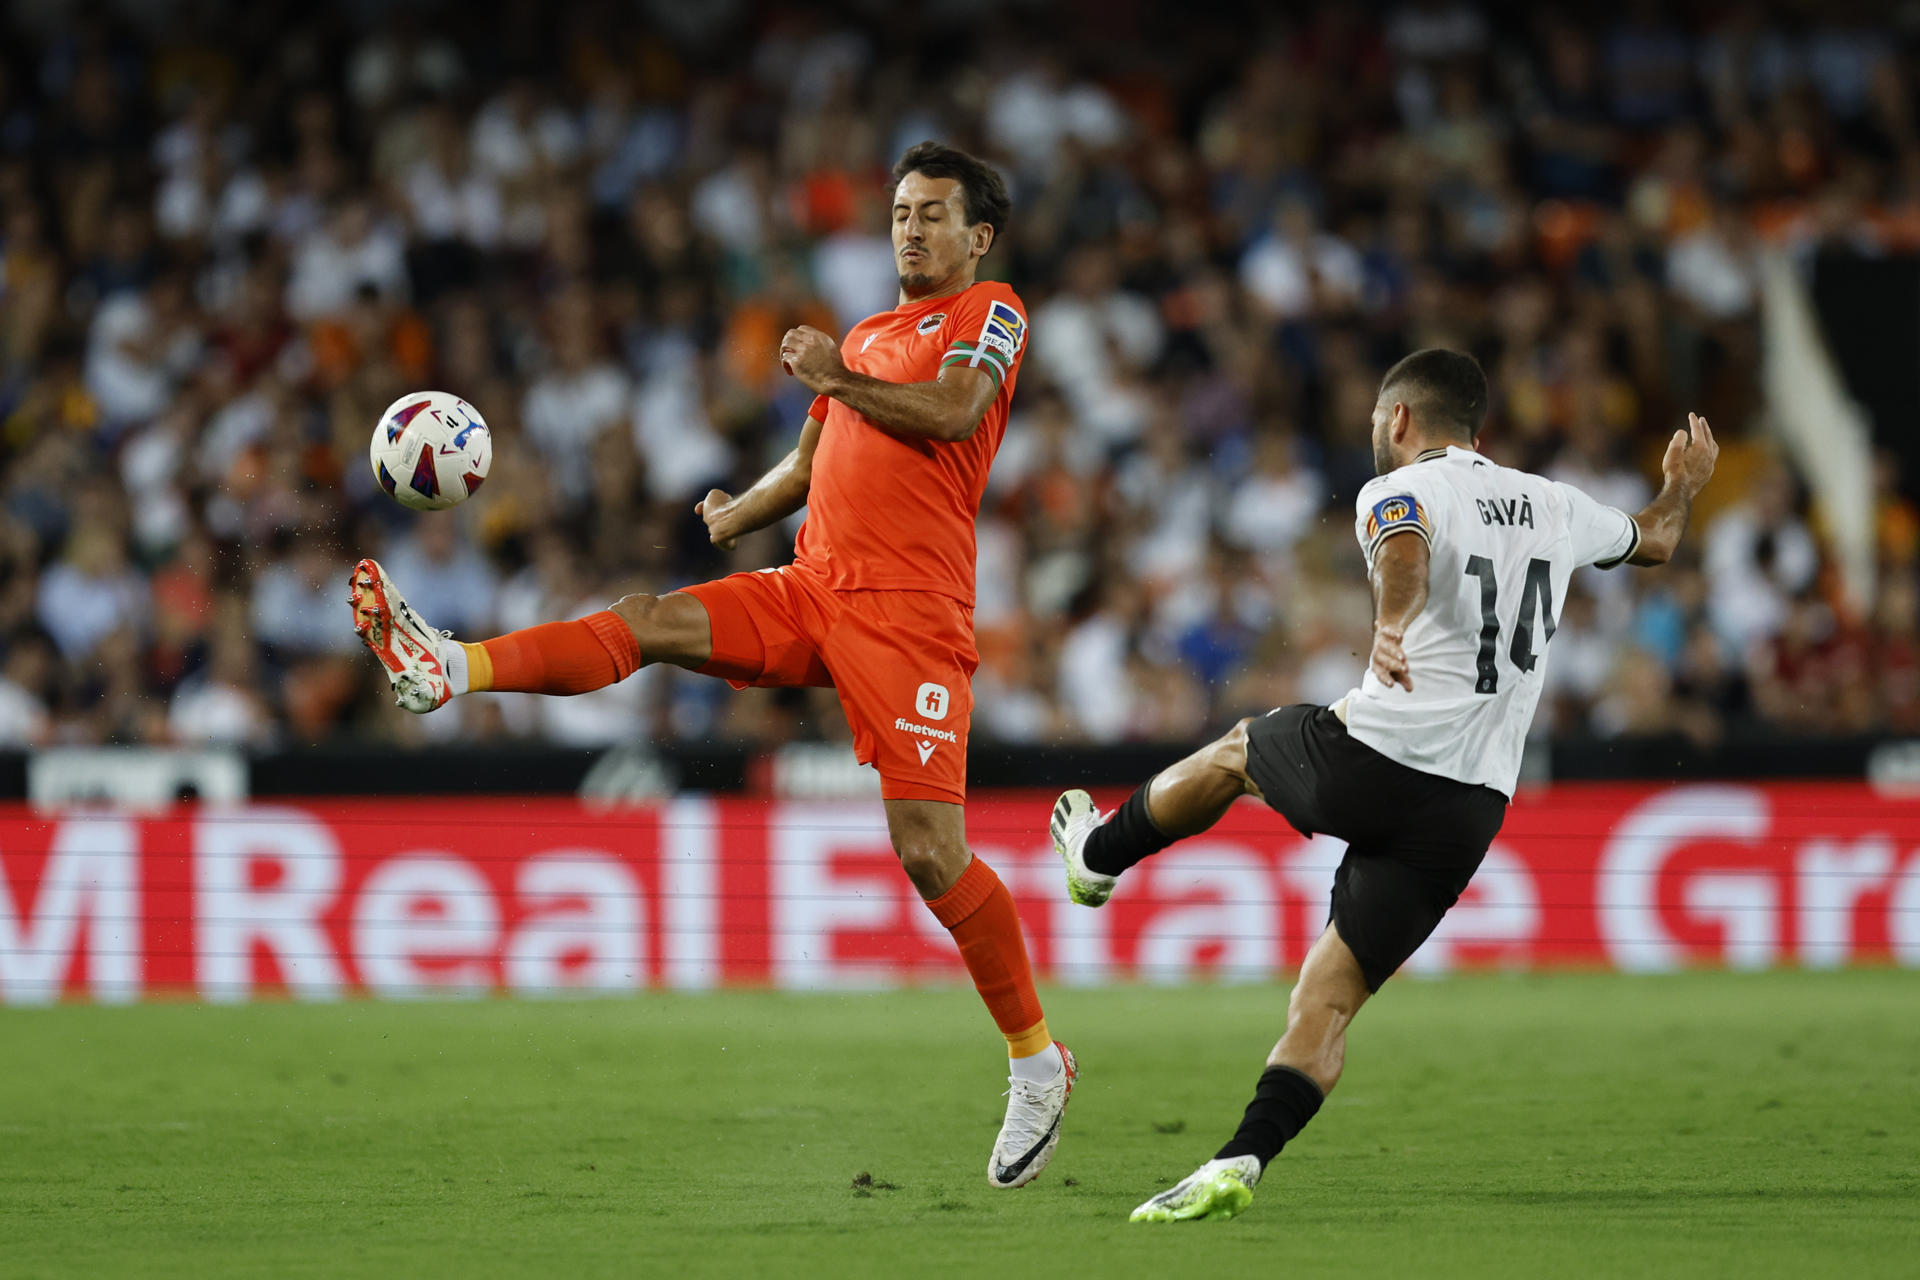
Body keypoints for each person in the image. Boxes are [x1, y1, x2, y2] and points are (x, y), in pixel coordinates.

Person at [348, 142, 1077, 1188]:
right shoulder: (869, 333)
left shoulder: (988, 311)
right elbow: (816, 455)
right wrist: (744, 506)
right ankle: (450, 668)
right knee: (648, 619)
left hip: (910, 613)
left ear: (979, 236)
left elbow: (956, 412)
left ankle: (1036, 1060)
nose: (909, 228)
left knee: (928, 851)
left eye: (932, 214)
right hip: (815, 583)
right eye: (900, 212)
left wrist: (832, 374)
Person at [1050, 349, 1718, 1222]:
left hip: (1382, 755)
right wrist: (1683, 487)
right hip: (1472, 804)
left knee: (1237, 751)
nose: (1373, 430)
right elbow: (1657, 539)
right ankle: (1241, 1160)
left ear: (1402, 418)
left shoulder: (1399, 489)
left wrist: (1392, 624)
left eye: (1377, 416)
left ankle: (1096, 857)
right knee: (1326, 1003)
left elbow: (1404, 545)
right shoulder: (1557, 505)